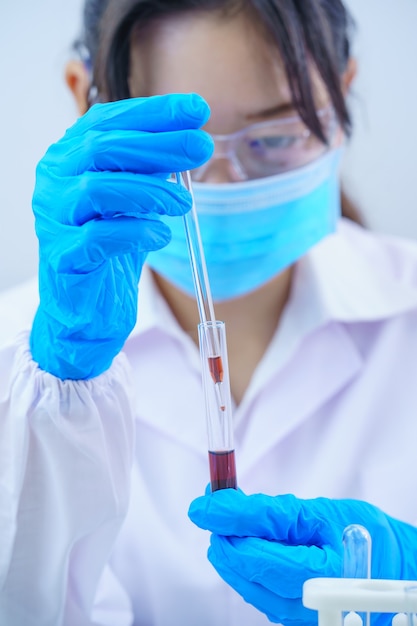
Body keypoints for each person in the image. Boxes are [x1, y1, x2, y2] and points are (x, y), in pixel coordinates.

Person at [1, 1, 417, 625]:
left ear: (341, 96)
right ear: (87, 101)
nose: (222, 182)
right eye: (181, 153)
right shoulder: (19, 355)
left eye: (275, 137)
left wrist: (405, 590)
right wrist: (65, 384)